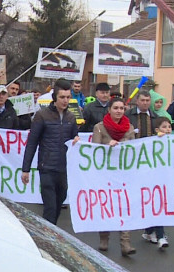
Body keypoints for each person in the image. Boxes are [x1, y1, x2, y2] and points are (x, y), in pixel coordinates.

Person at [20, 79, 80, 225]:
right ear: (54, 97)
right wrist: (25, 169)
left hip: (63, 168)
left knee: (59, 203)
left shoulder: (71, 117)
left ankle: (51, 230)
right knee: (50, 207)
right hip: (46, 167)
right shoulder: (42, 115)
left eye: (68, 97)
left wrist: (76, 140)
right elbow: (32, 142)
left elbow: (74, 138)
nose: (65, 101)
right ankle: (48, 239)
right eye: (62, 97)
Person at [92, 97, 136, 256]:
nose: (119, 111)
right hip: (106, 174)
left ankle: (126, 243)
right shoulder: (99, 127)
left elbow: (134, 149)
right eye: (116, 108)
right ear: (109, 109)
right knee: (106, 206)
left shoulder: (129, 127)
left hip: (124, 173)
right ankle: (104, 238)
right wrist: (107, 146)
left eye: (122, 108)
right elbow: (95, 151)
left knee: (124, 207)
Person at [141, 116, 173, 249]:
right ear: (157, 129)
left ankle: (149, 231)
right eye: (164, 127)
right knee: (157, 206)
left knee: (159, 206)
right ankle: (161, 236)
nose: (167, 130)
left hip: (167, 180)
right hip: (154, 181)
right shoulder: (152, 143)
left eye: (169, 127)